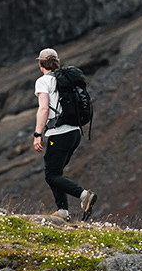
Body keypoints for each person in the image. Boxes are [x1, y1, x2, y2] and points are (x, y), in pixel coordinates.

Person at [32, 47, 96, 220]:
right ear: (57, 62)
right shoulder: (66, 79)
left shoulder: (43, 81)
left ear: (40, 63)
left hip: (59, 133)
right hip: (75, 132)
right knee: (55, 172)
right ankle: (62, 212)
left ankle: (84, 196)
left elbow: (44, 108)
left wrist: (38, 134)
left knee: (51, 175)